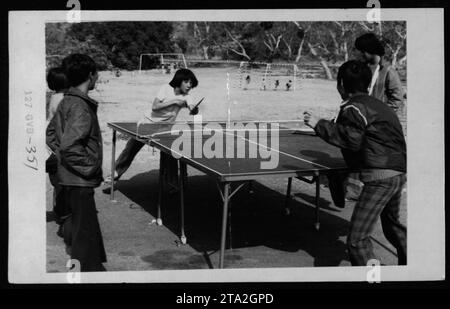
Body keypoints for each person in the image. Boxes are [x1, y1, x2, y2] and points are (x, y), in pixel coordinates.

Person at [303, 60, 407, 266]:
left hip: (380, 178)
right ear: (367, 84)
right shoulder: (379, 105)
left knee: (357, 241)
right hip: (399, 172)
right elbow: (366, 133)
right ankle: (415, 269)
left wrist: (318, 124)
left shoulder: (353, 107)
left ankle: (373, 280)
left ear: (340, 84)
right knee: (393, 226)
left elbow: (351, 140)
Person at [46, 53, 107, 272]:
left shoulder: (66, 101)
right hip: (80, 180)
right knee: (84, 233)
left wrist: (62, 159)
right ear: (91, 76)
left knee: (85, 227)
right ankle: (87, 272)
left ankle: (92, 265)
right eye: (96, 73)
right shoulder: (80, 106)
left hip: (68, 177)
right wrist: (90, 167)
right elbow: (70, 146)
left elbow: (51, 135)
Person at [105, 68, 199, 183]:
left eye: (191, 83)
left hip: (165, 128)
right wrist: (174, 102)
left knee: (170, 154)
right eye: (186, 82)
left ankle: (172, 183)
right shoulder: (165, 88)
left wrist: (194, 110)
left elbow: (192, 107)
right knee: (131, 149)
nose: (189, 85)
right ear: (179, 80)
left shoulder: (187, 97)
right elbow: (155, 106)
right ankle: (114, 174)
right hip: (147, 123)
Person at [345, 33, 405, 201]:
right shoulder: (362, 68)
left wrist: (381, 115)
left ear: (371, 50)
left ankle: (372, 191)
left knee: (374, 158)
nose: (360, 54)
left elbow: (397, 98)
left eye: (362, 51)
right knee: (355, 152)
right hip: (361, 119)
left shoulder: (389, 72)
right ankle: (353, 191)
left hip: (379, 124)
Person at [46, 67, 69, 225]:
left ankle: (58, 210)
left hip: (48, 143)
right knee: (62, 181)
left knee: (57, 181)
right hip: (54, 143)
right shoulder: (63, 99)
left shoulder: (54, 96)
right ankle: (63, 213)